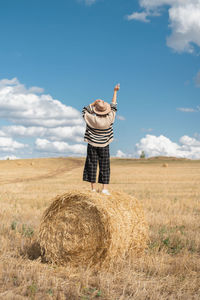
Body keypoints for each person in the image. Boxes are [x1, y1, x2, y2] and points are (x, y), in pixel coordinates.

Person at [82, 83, 120, 195]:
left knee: (91, 165)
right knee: (105, 166)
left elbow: (84, 110)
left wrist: (94, 103)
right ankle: (104, 189)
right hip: (104, 145)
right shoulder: (110, 118)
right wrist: (115, 91)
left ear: (96, 110)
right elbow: (114, 105)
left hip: (92, 144)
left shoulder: (91, 118)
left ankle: (93, 189)